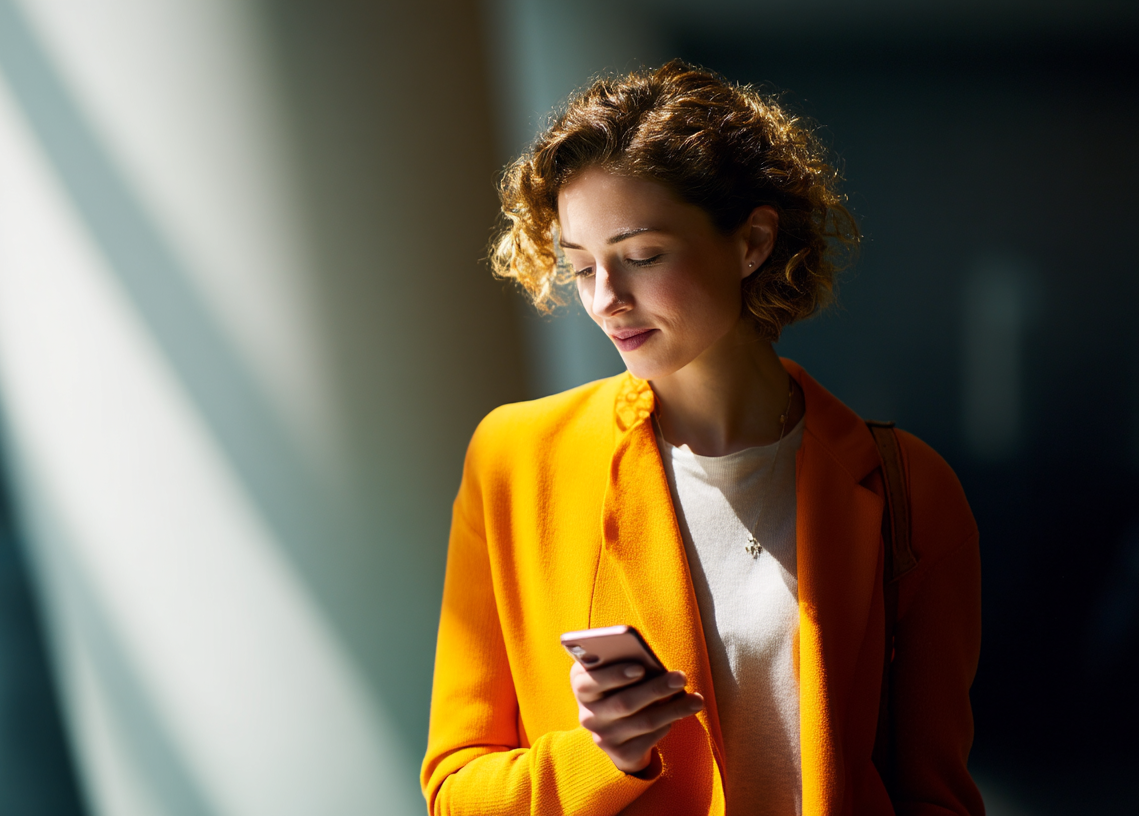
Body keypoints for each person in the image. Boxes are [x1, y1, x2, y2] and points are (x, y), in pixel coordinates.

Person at [420, 61, 982, 815]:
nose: (606, 301)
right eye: (579, 268)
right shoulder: (517, 461)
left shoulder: (907, 487)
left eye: (643, 256)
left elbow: (934, 794)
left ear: (752, 242)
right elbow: (455, 790)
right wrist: (603, 757)